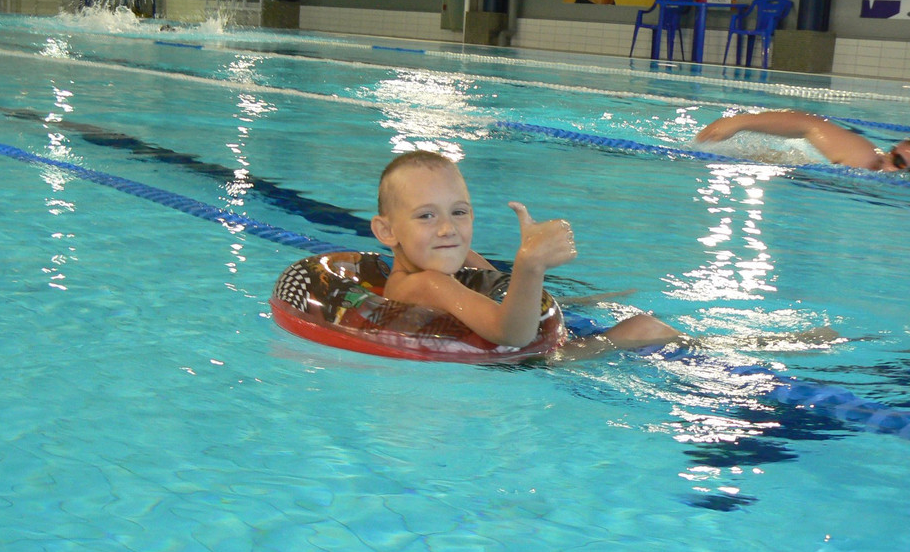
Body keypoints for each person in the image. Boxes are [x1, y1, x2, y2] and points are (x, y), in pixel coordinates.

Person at [369, 150, 683, 360]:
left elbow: (501, 285)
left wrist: (581, 301)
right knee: (643, 326)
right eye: (426, 216)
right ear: (386, 231)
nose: (447, 229)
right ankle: (710, 356)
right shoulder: (426, 282)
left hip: (538, 339)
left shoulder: (438, 264)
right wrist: (531, 264)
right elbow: (512, 334)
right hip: (539, 361)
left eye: (459, 212)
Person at [696, 110, 910, 173]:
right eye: (892, 153)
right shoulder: (868, 158)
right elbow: (809, 125)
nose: (885, 160)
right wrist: (740, 122)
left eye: (899, 163)